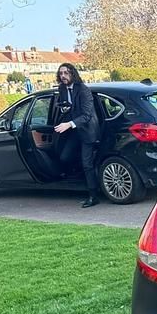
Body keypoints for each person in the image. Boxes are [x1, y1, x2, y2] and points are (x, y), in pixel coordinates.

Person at [54, 63, 101, 208]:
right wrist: (63, 110)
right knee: (65, 157)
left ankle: (93, 196)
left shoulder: (83, 90)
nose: (63, 76)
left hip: (87, 130)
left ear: (72, 74)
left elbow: (87, 115)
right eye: (61, 73)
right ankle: (82, 182)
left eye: (66, 73)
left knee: (87, 164)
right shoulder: (61, 88)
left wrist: (69, 124)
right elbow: (63, 105)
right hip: (74, 130)